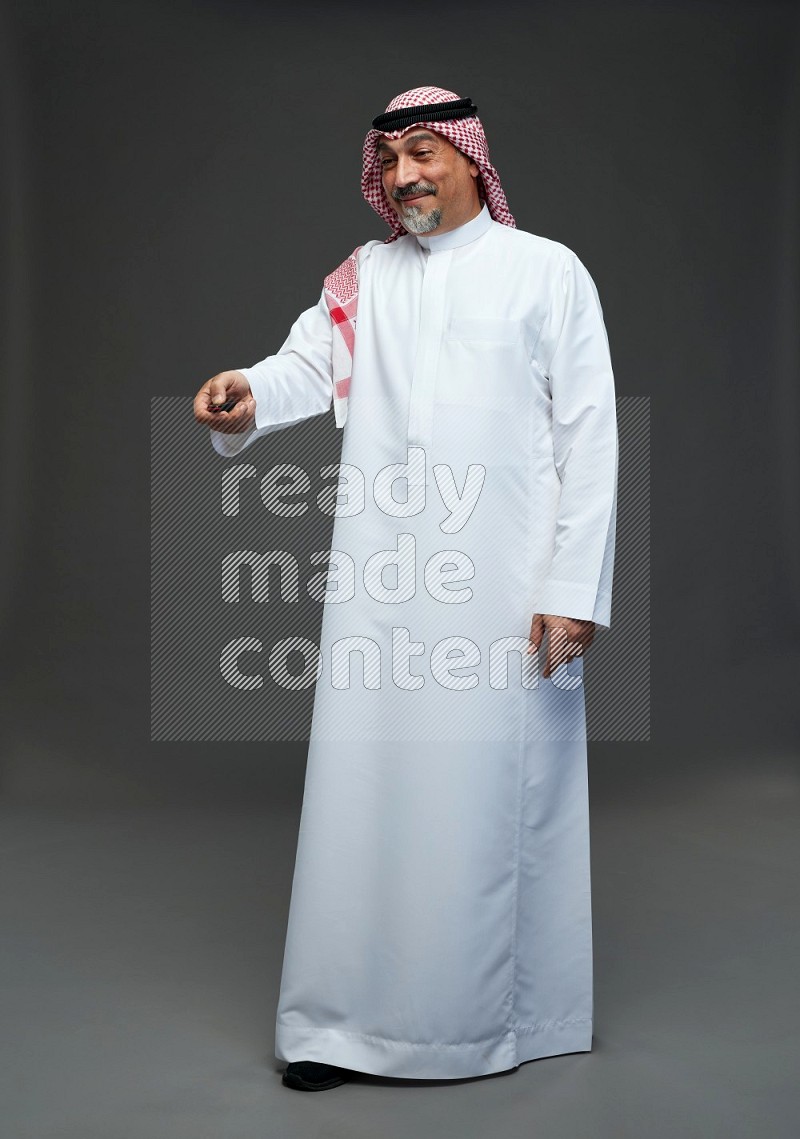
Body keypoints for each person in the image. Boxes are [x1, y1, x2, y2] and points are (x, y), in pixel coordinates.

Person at [193, 85, 618, 1092]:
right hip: (384, 589)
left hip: (507, 593)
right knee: (366, 797)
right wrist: (243, 395)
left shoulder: (544, 273)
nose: (406, 175)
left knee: (484, 805)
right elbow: (303, 366)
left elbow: (588, 436)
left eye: (425, 153)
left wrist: (572, 588)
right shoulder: (365, 279)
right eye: (390, 161)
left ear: (474, 160)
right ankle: (341, 1026)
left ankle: (486, 1025)